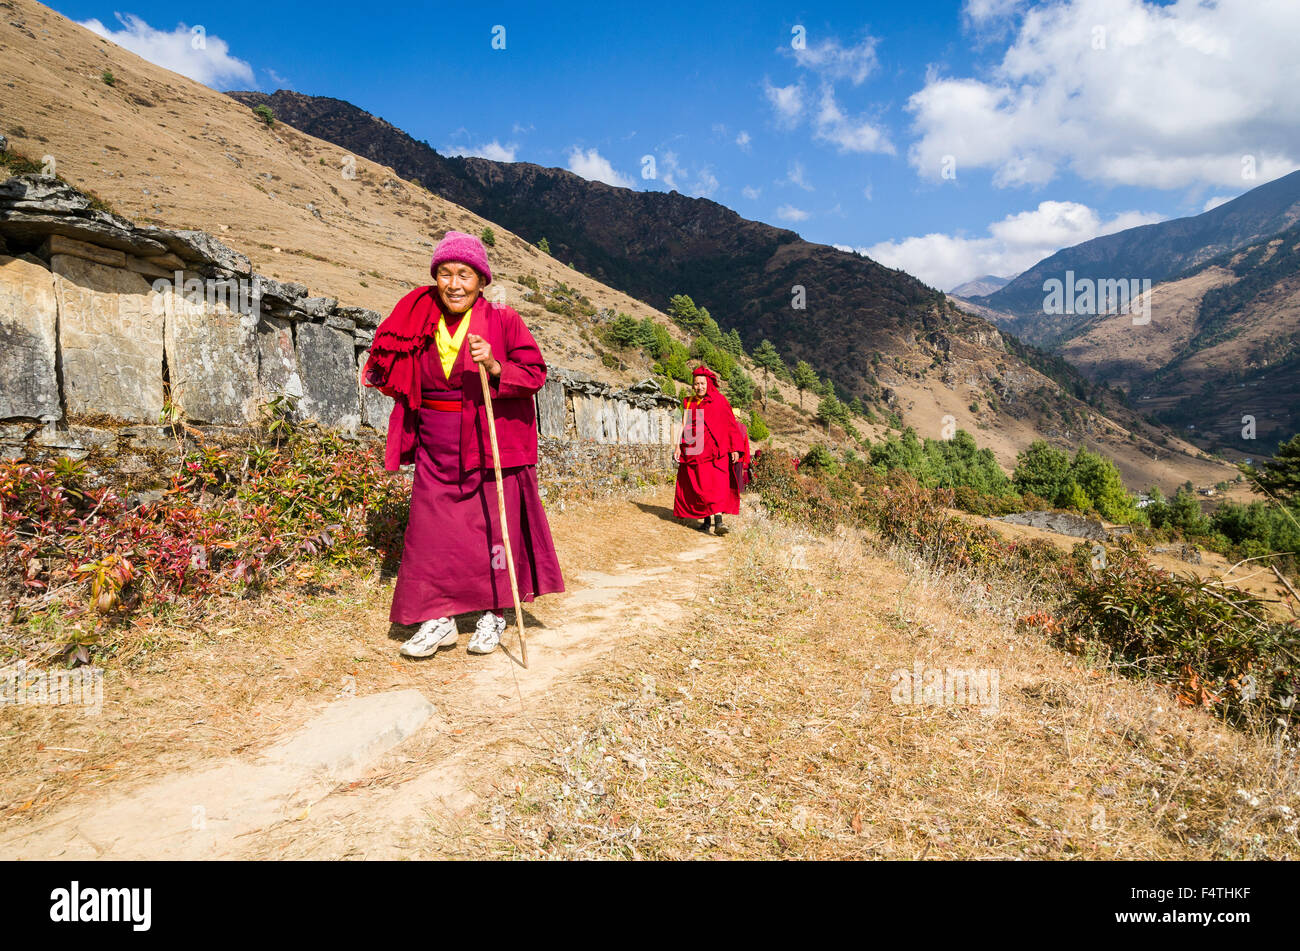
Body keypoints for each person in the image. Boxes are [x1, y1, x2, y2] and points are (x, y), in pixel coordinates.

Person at [363, 231, 564, 658]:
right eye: (445, 274)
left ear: (481, 280)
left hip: (490, 435)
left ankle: (494, 612)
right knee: (433, 531)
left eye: (464, 274)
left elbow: (535, 374)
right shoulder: (418, 318)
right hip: (436, 439)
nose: (454, 284)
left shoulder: (504, 320)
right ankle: (438, 617)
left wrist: (493, 363)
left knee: (493, 527)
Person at [671, 365, 748, 535]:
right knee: (699, 485)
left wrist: (734, 448)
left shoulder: (719, 401)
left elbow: (730, 425)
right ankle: (706, 521)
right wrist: (678, 446)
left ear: (708, 384)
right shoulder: (689, 402)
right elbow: (684, 425)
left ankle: (718, 523)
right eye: (696, 384)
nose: (699, 387)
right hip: (695, 449)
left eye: (702, 383)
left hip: (716, 451)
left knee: (716, 485)